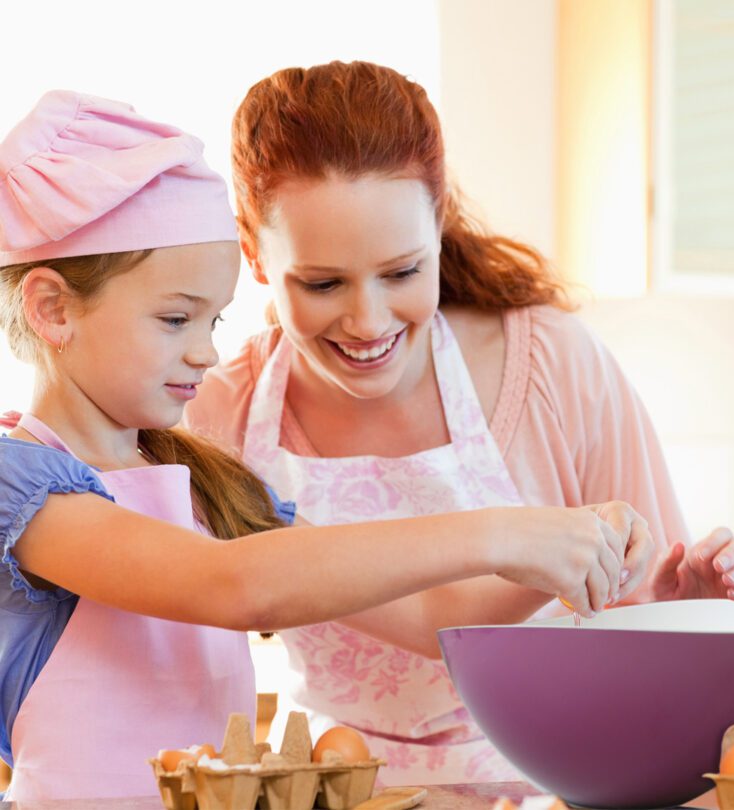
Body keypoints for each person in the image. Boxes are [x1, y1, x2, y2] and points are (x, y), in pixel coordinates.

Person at [0, 91, 656, 801]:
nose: (205, 353)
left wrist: (567, 552)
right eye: (175, 318)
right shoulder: (25, 483)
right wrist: (501, 530)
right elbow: (239, 587)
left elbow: (429, 615)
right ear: (52, 309)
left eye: (213, 320)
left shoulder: (201, 475)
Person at [185, 61, 734, 784]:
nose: (368, 321)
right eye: (323, 283)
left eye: (401, 272)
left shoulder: (552, 362)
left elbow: (651, 636)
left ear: (439, 228)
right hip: (340, 792)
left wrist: (682, 617)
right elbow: (432, 623)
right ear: (254, 254)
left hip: (566, 788)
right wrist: (520, 541)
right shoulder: (218, 415)